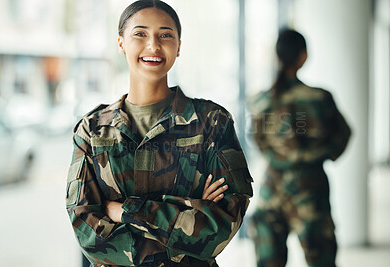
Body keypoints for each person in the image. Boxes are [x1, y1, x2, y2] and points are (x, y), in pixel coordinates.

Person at [65, 1, 253, 266]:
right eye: (140, 34)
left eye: (165, 35)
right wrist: (190, 210)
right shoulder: (92, 130)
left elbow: (219, 229)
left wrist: (123, 211)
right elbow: (89, 236)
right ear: (121, 43)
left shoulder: (212, 123)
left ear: (178, 46)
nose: (153, 45)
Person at [247, 29, 351, 267]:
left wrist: (279, 157)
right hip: (311, 188)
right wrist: (319, 156)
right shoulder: (320, 98)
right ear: (303, 57)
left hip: (272, 189)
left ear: (277, 57)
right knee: (321, 261)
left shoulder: (259, 101)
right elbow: (342, 136)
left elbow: (259, 142)